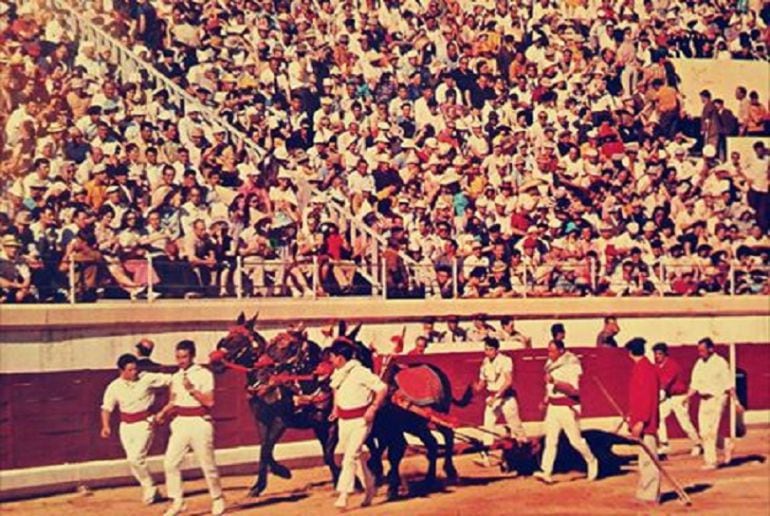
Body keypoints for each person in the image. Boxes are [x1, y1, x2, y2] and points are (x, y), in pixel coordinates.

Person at [158, 340, 224, 516]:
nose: (181, 361)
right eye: (178, 357)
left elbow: (209, 402)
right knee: (170, 463)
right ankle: (178, 501)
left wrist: (193, 390)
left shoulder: (204, 374)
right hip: (180, 422)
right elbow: (173, 401)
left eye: (184, 357)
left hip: (199, 422)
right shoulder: (175, 377)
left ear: (192, 356)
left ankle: (217, 498)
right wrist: (162, 413)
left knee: (207, 464)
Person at [100, 353, 171, 505]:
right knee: (132, 460)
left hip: (144, 423)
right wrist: (105, 426)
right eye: (130, 370)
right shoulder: (114, 386)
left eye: (135, 369)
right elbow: (106, 408)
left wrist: (168, 405)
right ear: (121, 371)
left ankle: (149, 488)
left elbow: (171, 380)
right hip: (125, 426)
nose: (135, 372)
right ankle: (152, 489)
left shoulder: (147, 378)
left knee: (136, 458)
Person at [328, 341, 387, 509]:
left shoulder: (360, 372)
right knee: (349, 456)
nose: (330, 360)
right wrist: (335, 408)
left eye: (332, 357)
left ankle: (344, 495)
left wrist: (373, 408)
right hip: (344, 421)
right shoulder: (338, 372)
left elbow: (382, 388)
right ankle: (370, 486)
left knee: (350, 457)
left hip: (361, 420)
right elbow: (336, 389)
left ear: (340, 358)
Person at [533, 339, 599, 484]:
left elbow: (574, 390)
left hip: (567, 407)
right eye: (548, 350)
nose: (549, 353)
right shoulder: (550, 363)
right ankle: (546, 471)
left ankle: (592, 461)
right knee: (551, 440)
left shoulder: (572, 365)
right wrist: (545, 399)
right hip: (553, 407)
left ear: (561, 351)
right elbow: (549, 387)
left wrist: (555, 382)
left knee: (575, 441)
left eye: (552, 351)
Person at [682, 337, 733, 470]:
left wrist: (735, 400)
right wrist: (687, 397)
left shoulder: (720, 362)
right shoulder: (699, 363)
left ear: (711, 349)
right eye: (699, 351)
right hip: (703, 399)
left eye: (703, 350)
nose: (701, 353)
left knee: (710, 431)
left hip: (717, 398)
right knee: (704, 431)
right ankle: (725, 444)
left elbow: (728, 383)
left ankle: (711, 461)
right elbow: (694, 384)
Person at [475, 337, 527, 465]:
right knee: (488, 424)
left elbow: (508, 381)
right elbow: (482, 382)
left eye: (491, 349)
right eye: (486, 349)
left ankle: (526, 450)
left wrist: (496, 396)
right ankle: (486, 456)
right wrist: (476, 387)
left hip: (506, 398)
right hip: (493, 398)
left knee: (515, 425)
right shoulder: (485, 362)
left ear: (497, 350)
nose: (488, 352)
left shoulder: (506, 360)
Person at [624, 338, 661, 506]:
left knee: (649, 458)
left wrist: (641, 422)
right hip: (642, 420)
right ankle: (645, 493)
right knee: (644, 458)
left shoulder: (645, 370)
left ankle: (651, 495)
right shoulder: (644, 368)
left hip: (646, 422)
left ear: (630, 352)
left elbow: (648, 398)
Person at [652, 343, 702, 456]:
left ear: (665, 354)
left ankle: (697, 443)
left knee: (684, 423)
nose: (657, 356)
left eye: (659, 354)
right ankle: (664, 444)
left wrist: (660, 393)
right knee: (659, 416)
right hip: (669, 398)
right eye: (655, 354)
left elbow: (666, 382)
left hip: (680, 397)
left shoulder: (672, 365)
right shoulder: (656, 366)